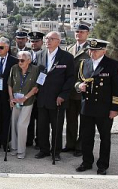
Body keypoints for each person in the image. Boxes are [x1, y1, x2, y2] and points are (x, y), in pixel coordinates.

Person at [75, 39, 118, 175]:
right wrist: (79, 86)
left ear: (104, 51)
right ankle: (86, 161)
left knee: (105, 138)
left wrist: (115, 108)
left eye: (95, 50)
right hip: (87, 107)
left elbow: (117, 89)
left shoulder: (112, 64)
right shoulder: (84, 63)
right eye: (90, 50)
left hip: (104, 108)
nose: (92, 53)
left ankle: (103, 165)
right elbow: (77, 80)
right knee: (86, 136)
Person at [35, 31, 75, 160]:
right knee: (42, 126)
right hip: (42, 98)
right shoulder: (39, 55)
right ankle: (44, 149)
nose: (48, 41)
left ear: (58, 41)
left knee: (56, 127)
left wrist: (63, 95)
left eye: (51, 39)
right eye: (47, 38)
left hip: (57, 98)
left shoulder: (66, 57)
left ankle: (55, 152)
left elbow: (70, 78)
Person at [8, 51, 40, 159]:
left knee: (21, 125)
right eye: (18, 60)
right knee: (14, 123)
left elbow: (35, 88)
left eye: (22, 60)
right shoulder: (14, 68)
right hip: (16, 101)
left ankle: (21, 151)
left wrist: (25, 97)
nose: (19, 62)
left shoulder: (35, 70)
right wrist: (11, 98)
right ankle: (14, 148)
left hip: (27, 101)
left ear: (29, 60)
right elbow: (10, 84)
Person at [65, 23, 91, 157]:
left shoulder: (90, 49)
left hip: (83, 90)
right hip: (70, 91)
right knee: (70, 119)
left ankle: (80, 146)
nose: (78, 34)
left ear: (87, 34)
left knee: (84, 121)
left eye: (81, 32)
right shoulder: (69, 48)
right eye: (77, 31)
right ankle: (70, 144)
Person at [26, 31, 45, 148]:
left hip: (40, 92)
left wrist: (37, 87)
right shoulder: (25, 54)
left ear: (42, 42)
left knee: (41, 119)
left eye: (37, 41)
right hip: (27, 92)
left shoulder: (45, 55)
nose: (34, 43)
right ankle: (28, 140)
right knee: (28, 117)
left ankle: (39, 141)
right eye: (32, 41)